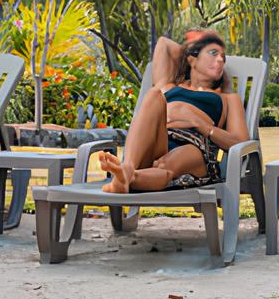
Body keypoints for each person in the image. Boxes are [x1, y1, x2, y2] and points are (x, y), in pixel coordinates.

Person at [96, 29, 249, 193]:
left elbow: (240, 141)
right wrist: (192, 51)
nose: (220, 60)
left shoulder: (228, 98)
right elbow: (163, 43)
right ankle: (127, 170)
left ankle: (126, 177)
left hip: (194, 144)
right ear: (192, 59)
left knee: (166, 166)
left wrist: (202, 125)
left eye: (223, 57)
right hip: (158, 138)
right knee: (154, 94)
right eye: (213, 53)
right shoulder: (169, 85)